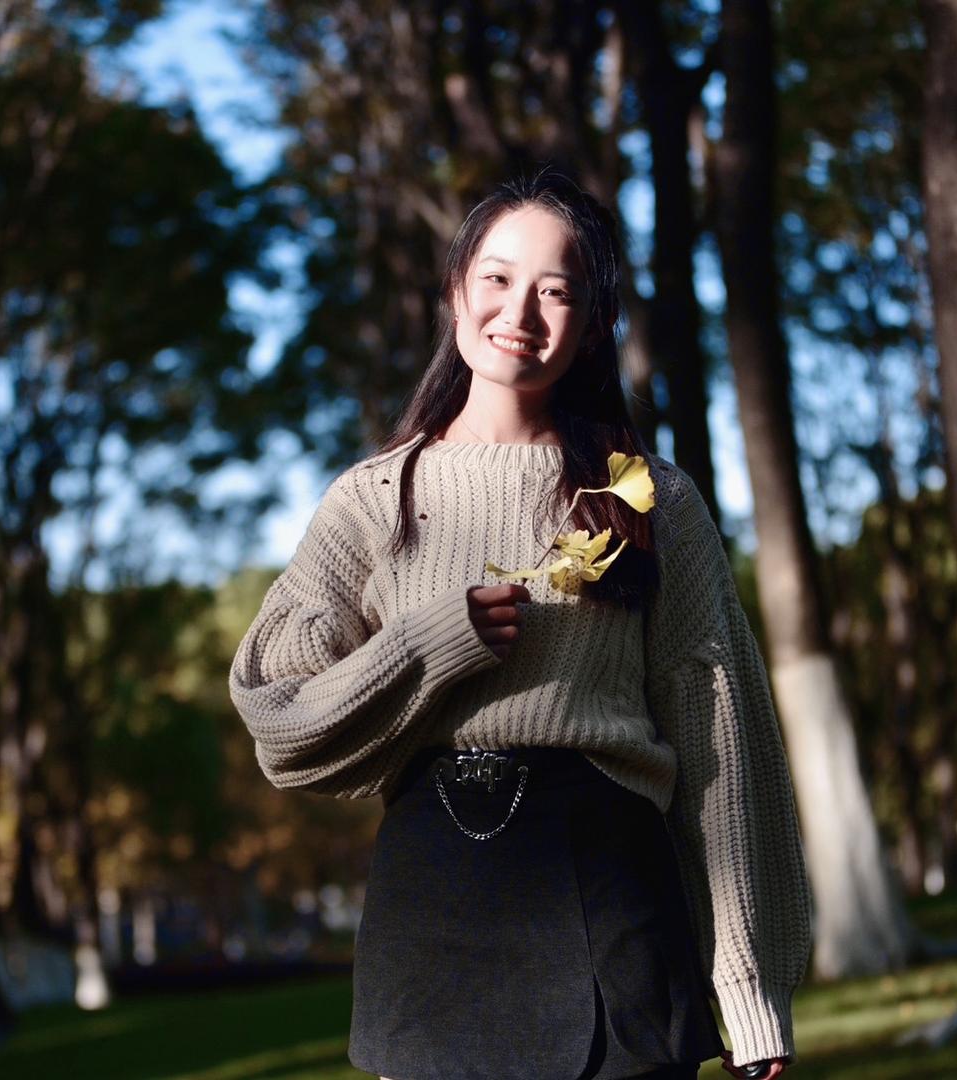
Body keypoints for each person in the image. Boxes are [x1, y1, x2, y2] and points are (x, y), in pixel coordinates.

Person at [229, 169, 812, 1080]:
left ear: (589, 326)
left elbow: (720, 735)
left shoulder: (646, 500)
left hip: (612, 901)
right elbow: (280, 722)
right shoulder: (373, 501)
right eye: (497, 278)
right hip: (432, 918)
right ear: (456, 293)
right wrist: (426, 646)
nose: (522, 312)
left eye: (557, 290)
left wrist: (751, 991)